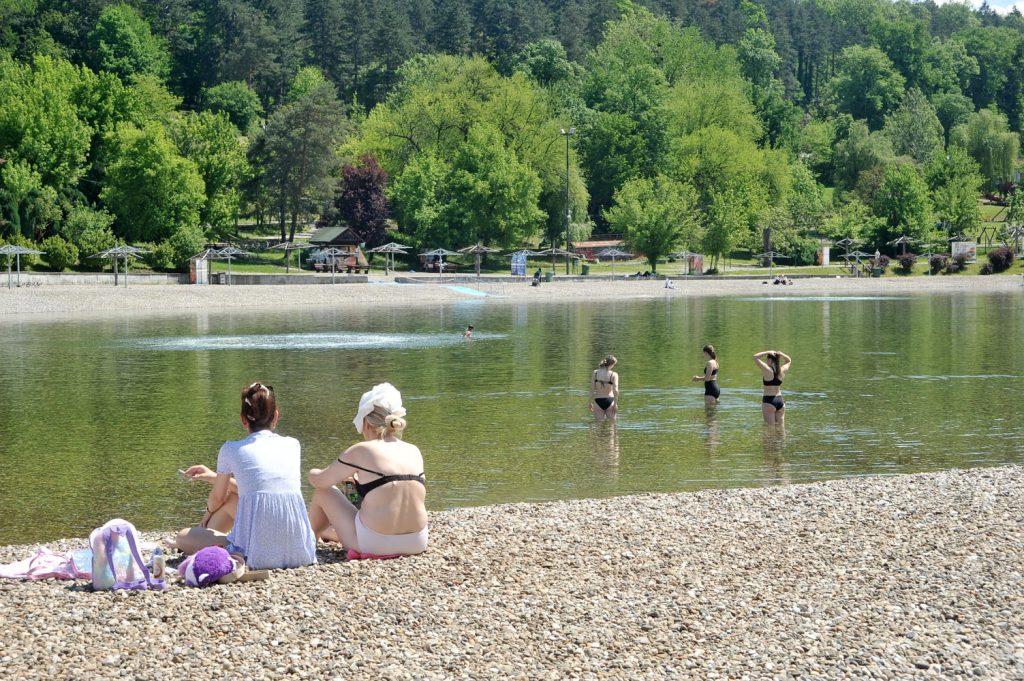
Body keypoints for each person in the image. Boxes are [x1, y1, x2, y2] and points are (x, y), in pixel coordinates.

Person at [173, 382, 317, 570]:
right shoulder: (293, 445)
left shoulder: (231, 449)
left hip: (254, 555)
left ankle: (208, 534)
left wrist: (205, 517)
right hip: (301, 552)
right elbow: (257, 488)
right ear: (276, 416)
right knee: (233, 499)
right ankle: (211, 535)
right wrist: (213, 477)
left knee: (183, 537)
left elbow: (217, 499)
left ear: (243, 419)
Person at [307, 383, 428, 557]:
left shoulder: (361, 449)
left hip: (375, 544)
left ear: (366, 423)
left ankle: (308, 541)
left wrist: (312, 472)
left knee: (323, 492)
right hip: (417, 541)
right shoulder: (413, 450)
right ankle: (329, 533)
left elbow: (320, 481)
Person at [754, 350, 792, 425]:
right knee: (781, 428)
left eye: (767, 360)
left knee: (769, 428)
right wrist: (781, 354)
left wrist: (767, 352)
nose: (766, 362)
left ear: (770, 360)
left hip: (769, 401)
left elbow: (755, 357)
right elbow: (788, 360)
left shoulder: (767, 370)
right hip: (780, 401)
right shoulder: (782, 370)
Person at [589, 355, 620, 420]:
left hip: (598, 401)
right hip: (610, 400)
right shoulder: (614, 374)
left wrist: (590, 402)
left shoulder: (595, 373)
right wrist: (615, 404)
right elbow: (616, 390)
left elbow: (592, 389)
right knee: (612, 424)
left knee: (598, 425)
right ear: (612, 364)